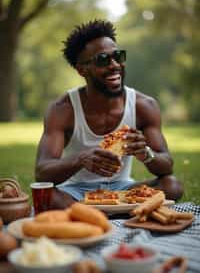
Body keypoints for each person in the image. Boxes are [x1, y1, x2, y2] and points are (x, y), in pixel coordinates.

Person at [35, 20, 183, 209]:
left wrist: (146, 153)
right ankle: (119, 211)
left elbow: (166, 165)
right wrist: (81, 159)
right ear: (82, 69)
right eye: (103, 60)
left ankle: (95, 212)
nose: (115, 65)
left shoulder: (144, 105)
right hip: (75, 191)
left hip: (124, 189)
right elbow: (42, 172)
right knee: (47, 196)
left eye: (118, 56)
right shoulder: (62, 109)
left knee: (172, 185)